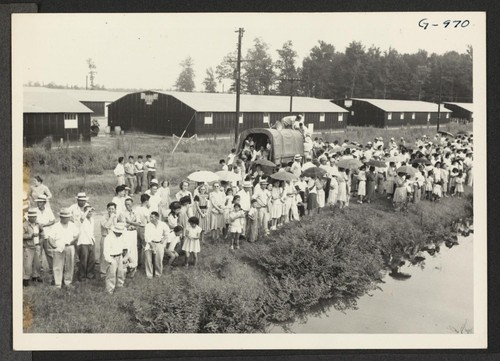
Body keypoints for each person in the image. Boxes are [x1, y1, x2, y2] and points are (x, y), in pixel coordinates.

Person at [48, 208, 79, 289]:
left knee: (69, 265)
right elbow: (50, 238)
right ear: (60, 217)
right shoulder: (56, 226)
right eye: (64, 217)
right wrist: (54, 246)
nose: (66, 219)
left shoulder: (72, 225)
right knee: (58, 266)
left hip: (69, 246)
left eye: (67, 217)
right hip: (59, 247)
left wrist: (73, 241)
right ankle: (58, 284)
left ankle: (68, 282)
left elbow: (76, 235)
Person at [118, 197, 141, 278]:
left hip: (133, 232)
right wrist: (131, 223)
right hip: (126, 232)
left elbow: (138, 223)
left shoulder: (135, 212)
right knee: (127, 249)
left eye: (129, 204)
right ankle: (126, 268)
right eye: (126, 204)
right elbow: (124, 225)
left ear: (132, 204)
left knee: (134, 249)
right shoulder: (122, 213)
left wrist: (129, 222)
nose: (128, 206)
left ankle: (134, 267)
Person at [34, 195, 56, 278]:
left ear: (44, 202)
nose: (39, 203)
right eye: (38, 202)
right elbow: (31, 221)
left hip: (47, 234)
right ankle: (39, 270)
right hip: (38, 235)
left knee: (49, 253)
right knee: (38, 253)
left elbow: (53, 221)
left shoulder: (48, 210)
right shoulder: (34, 211)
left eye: (41, 202)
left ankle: (52, 269)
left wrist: (45, 225)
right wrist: (38, 226)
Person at [102, 223, 126, 294]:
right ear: (115, 231)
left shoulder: (121, 236)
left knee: (120, 272)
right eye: (119, 233)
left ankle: (120, 286)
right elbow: (106, 252)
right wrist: (110, 260)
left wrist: (123, 256)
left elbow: (123, 246)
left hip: (119, 256)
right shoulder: (108, 238)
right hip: (112, 257)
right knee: (111, 274)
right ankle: (110, 290)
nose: (120, 234)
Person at [144, 211, 169, 278]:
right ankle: (149, 274)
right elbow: (146, 236)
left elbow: (167, 232)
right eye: (150, 217)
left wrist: (163, 239)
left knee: (159, 259)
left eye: (152, 217)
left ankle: (158, 274)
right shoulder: (148, 225)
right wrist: (151, 245)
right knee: (148, 260)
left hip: (159, 243)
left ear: (157, 217)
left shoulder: (162, 224)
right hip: (150, 243)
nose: (150, 219)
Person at [23, 208, 43, 286]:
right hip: (28, 247)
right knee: (27, 263)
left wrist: (41, 240)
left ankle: (36, 276)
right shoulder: (24, 225)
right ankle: (26, 278)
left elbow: (42, 232)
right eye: (32, 217)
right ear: (28, 217)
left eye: (35, 216)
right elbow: (20, 235)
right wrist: (30, 235)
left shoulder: (38, 224)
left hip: (37, 246)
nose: (34, 218)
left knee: (37, 262)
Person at [76, 204, 96, 281]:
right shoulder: (81, 218)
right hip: (83, 242)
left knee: (92, 260)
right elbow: (82, 218)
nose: (90, 213)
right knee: (83, 260)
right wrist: (87, 209)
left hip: (91, 241)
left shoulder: (92, 219)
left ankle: (90, 275)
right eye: (88, 211)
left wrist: (93, 240)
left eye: (91, 211)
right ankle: (82, 276)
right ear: (84, 212)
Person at [99, 202, 117, 278]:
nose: (111, 210)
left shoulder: (115, 217)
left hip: (112, 238)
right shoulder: (103, 217)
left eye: (113, 209)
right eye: (109, 209)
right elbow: (106, 226)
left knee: (113, 254)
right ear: (107, 209)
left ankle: (112, 270)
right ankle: (103, 273)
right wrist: (111, 217)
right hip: (105, 237)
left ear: (115, 209)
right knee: (103, 255)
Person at [134, 194, 150, 268]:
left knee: (138, 247)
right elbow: (149, 221)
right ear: (146, 201)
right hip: (144, 228)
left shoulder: (137, 208)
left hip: (137, 228)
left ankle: (138, 262)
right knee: (145, 246)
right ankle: (144, 263)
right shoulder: (145, 210)